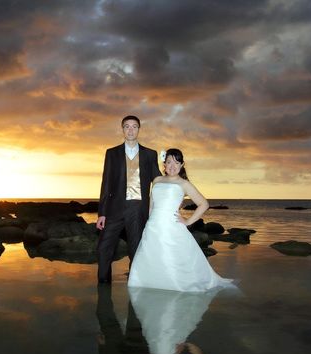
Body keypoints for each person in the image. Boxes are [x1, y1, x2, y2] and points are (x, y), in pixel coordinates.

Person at [127, 148, 233, 292]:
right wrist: (148, 223)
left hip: (172, 227)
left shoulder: (184, 184)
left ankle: (173, 285)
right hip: (153, 227)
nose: (172, 166)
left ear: (182, 165)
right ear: (164, 164)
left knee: (171, 258)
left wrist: (188, 221)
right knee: (152, 258)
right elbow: (151, 205)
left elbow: (204, 204)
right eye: (169, 162)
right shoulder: (157, 180)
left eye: (176, 163)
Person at [97, 116, 161, 284]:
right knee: (103, 248)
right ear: (122, 130)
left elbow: (158, 180)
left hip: (138, 209)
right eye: (127, 127)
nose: (131, 130)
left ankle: (135, 285)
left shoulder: (150, 154)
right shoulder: (111, 153)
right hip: (114, 209)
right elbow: (106, 183)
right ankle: (103, 286)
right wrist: (102, 213)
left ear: (139, 129)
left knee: (135, 250)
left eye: (134, 127)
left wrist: (177, 180)